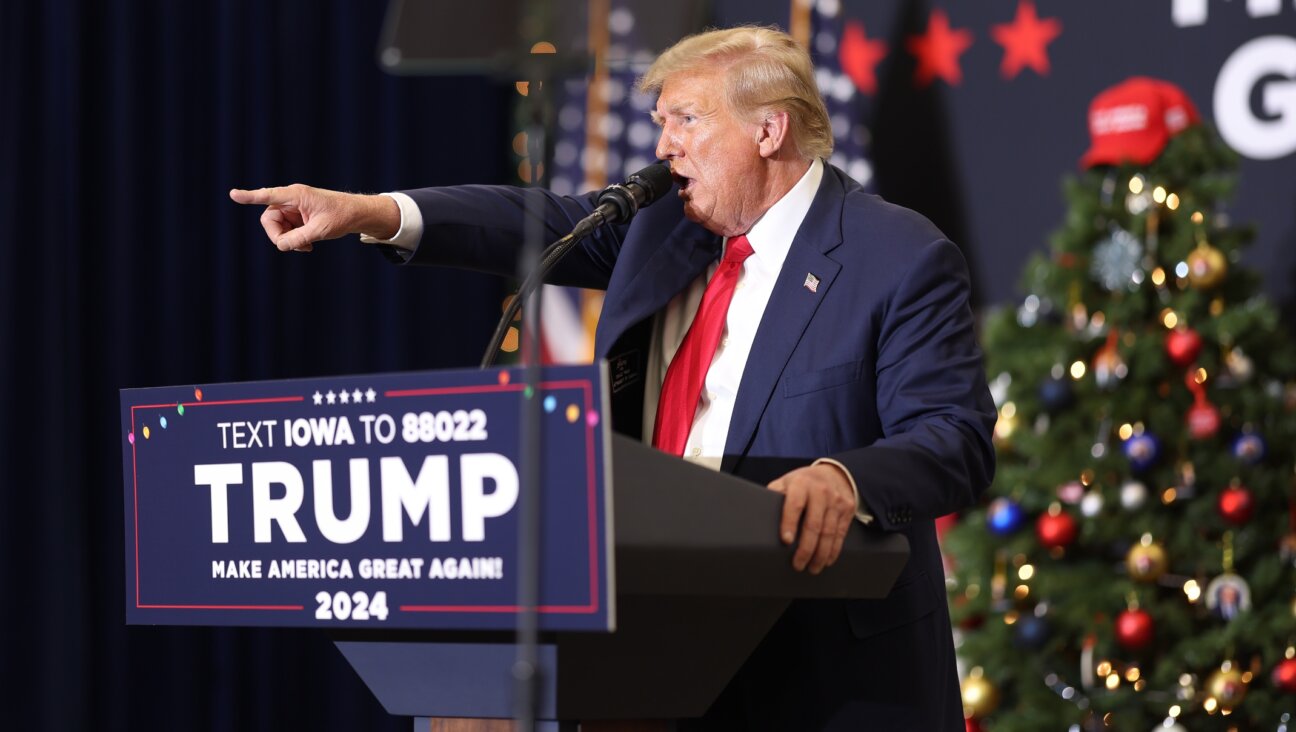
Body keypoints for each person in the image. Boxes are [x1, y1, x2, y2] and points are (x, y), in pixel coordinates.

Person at [232, 25, 995, 731]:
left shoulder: (895, 256)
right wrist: (371, 212)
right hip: (652, 648)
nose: (665, 149)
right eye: (662, 123)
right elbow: (528, 222)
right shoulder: (668, 231)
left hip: (819, 665)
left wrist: (844, 479)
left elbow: (953, 436)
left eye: (686, 122)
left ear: (770, 130)